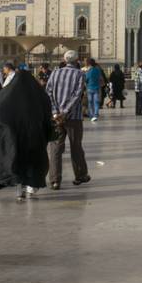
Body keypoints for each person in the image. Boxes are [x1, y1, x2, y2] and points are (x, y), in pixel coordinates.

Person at [0, 69, 54, 200]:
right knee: (33, 162)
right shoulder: (38, 94)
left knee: (18, 161)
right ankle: (31, 187)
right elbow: (47, 112)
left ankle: (20, 191)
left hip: (15, 136)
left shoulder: (6, 94)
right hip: (34, 136)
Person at [45, 50, 91, 191]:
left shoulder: (55, 73)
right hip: (73, 118)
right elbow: (77, 95)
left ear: (64, 60)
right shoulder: (79, 74)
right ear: (77, 60)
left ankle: (54, 180)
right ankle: (80, 175)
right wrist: (65, 112)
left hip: (56, 118)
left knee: (55, 148)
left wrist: (55, 113)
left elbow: (48, 93)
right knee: (76, 146)